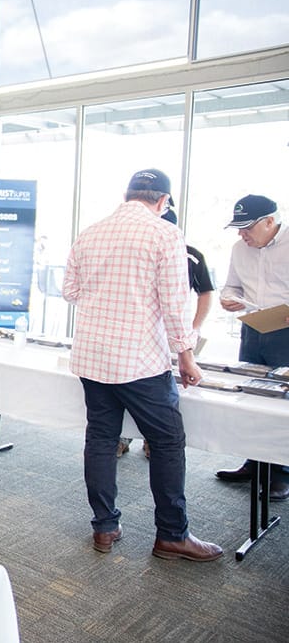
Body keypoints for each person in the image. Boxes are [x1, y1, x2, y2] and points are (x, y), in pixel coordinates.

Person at [62, 168, 222, 561]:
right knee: (167, 442)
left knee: (100, 439)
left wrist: (107, 299)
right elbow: (174, 303)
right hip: (139, 360)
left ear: (127, 194)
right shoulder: (165, 234)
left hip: (92, 356)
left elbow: (69, 291)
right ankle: (172, 534)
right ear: (163, 201)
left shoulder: (91, 232)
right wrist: (186, 355)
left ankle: (105, 527)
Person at [117, 205, 215, 459]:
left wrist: (191, 330)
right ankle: (125, 436)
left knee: (164, 391)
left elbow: (205, 292)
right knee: (130, 385)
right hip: (138, 338)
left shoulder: (190, 255)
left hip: (175, 335)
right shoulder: (129, 251)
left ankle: (153, 439)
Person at [214, 194, 289, 501]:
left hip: (285, 331)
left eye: (247, 228)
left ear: (270, 222)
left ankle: (281, 471)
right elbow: (231, 286)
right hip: (252, 328)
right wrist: (228, 299)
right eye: (238, 228)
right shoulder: (239, 249)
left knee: (282, 402)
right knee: (250, 393)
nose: (241, 235)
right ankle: (253, 461)